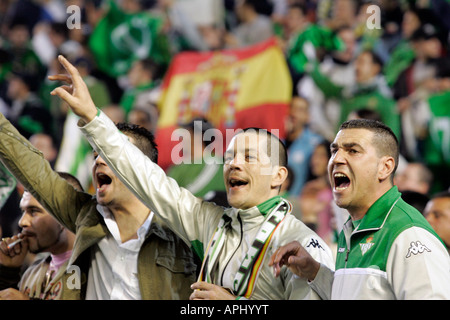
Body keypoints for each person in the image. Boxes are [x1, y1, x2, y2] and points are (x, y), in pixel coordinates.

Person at [49, 55, 335, 300]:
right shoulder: (210, 223)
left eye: (248, 157)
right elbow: (147, 178)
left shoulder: (301, 243)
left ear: (278, 176)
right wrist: (92, 117)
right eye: (230, 157)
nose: (233, 165)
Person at [0, 94, 197, 299]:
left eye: (111, 155)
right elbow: (31, 168)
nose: (99, 161)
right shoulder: (86, 215)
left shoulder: (183, 230)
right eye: (96, 155)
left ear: (144, 169)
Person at [270, 119, 450, 299]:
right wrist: (314, 271)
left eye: (353, 151)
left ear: (384, 167)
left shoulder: (408, 234)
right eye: (334, 151)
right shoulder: (352, 229)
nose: (337, 159)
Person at [0, 172, 81, 300]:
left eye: (34, 211)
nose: (22, 222)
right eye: (23, 211)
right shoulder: (32, 273)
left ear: (66, 215)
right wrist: (8, 273)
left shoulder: (94, 267)